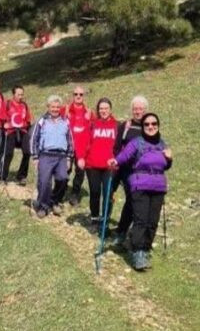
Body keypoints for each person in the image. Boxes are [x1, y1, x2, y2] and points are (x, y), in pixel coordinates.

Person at [109, 113, 172, 271]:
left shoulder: (163, 144)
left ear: (158, 126)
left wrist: (170, 159)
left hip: (158, 187)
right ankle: (137, 252)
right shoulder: (137, 143)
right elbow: (124, 156)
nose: (151, 127)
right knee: (141, 220)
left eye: (154, 124)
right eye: (147, 124)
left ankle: (145, 248)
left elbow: (164, 166)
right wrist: (115, 161)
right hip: (140, 185)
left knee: (152, 221)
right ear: (143, 127)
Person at [110, 95, 149, 245]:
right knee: (132, 199)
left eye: (140, 109)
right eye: (135, 109)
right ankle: (122, 232)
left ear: (145, 110)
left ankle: (128, 231)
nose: (137, 111)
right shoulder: (125, 126)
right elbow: (116, 148)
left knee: (137, 201)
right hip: (126, 170)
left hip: (143, 171)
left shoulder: (149, 127)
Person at [30, 95, 74, 218]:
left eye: (57, 107)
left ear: (60, 108)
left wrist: (69, 157)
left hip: (61, 156)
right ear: (48, 107)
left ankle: (54, 201)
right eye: (52, 107)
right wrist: (35, 156)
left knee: (63, 178)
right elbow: (34, 139)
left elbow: (70, 140)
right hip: (45, 155)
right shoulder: (42, 121)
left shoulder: (65, 121)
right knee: (44, 182)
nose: (55, 109)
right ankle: (43, 206)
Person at [82, 98, 118, 227]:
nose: (103, 111)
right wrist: (82, 158)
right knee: (95, 192)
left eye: (106, 108)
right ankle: (94, 218)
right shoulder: (93, 124)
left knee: (108, 194)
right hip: (92, 165)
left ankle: (105, 220)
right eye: (101, 108)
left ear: (110, 109)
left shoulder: (117, 125)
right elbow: (85, 141)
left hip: (110, 166)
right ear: (98, 110)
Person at [61, 85, 94, 206]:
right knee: (65, 169)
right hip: (67, 146)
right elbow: (53, 120)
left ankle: (75, 194)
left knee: (80, 172)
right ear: (72, 95)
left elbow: (96, 128)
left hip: (82, 149)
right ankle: (61, 190)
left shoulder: (89, 112)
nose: (78, 96)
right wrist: (64, 116)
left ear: (84, 96)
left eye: (81, 94)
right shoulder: (65, 109)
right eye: (76, 94)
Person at [0, 85, 33, 185]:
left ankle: (21, 176)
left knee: (27, 152)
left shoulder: (24, 105)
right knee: (9, 153)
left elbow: (28, 120)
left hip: (22, 131)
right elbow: (2, 118)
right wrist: (4, 126)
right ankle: (3, 176)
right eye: (18, 95)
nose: (20, 97)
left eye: (22, 94)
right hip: (10, 131)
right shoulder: (7, 104)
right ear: (14, 94)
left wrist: (27, 128)